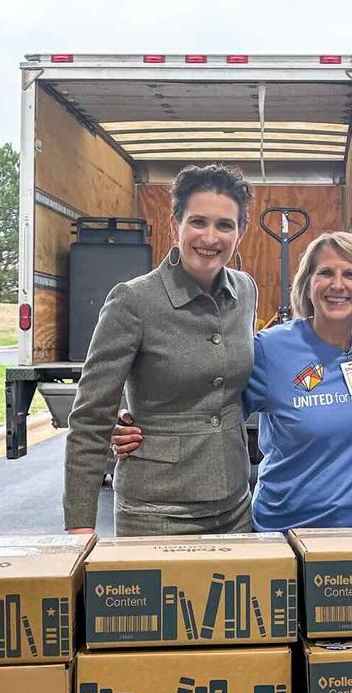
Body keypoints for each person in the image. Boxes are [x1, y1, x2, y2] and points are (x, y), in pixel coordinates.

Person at [113, 232, 352, 530]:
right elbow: (206, 411)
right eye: (325, 273)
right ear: (307, 284)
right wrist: (139, 428)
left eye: (350, 274)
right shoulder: (271, 350)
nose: (337, 284)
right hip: (291, 526)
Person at [63, 164, 257, 535]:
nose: (210, 237)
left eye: (225, 225)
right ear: (174, 225)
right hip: (155, 512)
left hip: (235, 507)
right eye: (198, 221)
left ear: (241, 232)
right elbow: (90, 417)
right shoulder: (132, 301)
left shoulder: (245, 291)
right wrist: (79, 525)